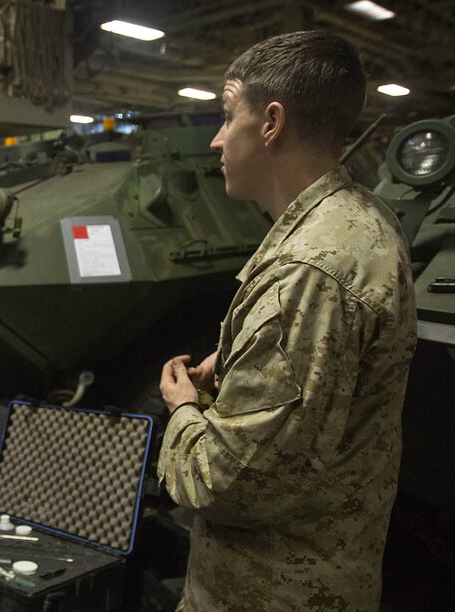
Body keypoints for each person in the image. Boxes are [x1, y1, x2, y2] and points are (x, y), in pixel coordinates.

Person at [156, 31, 416, 610]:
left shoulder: (308, 270)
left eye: (228, 116)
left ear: (271, 123)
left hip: (267, 591)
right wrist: (245, 363)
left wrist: (183, 409)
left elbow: (225, 485)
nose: (217, 139)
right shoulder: (363, 218)